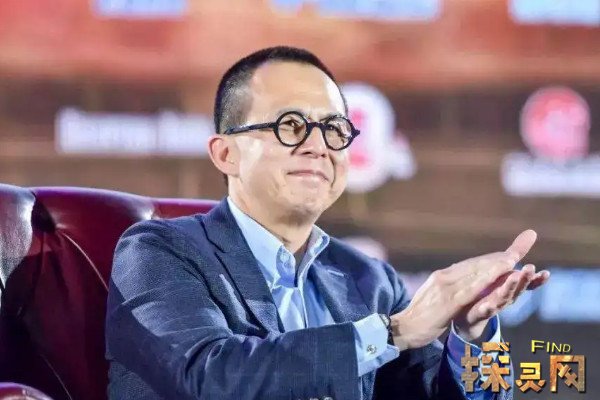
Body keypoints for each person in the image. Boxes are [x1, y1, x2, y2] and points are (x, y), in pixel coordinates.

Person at [105, 46, 550, 400]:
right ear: (226, 153)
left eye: (334, 129)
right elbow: (210, 377)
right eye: (291, 125)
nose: (318, 146)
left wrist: (471, 335)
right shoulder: (157, 252)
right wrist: (392, 333)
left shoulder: (369, 281)